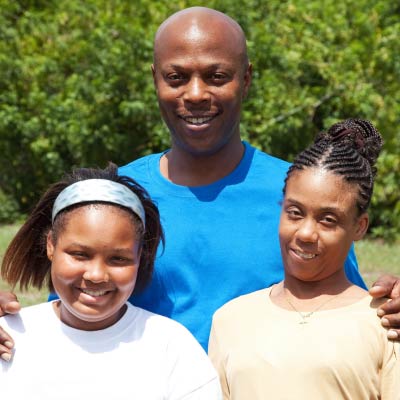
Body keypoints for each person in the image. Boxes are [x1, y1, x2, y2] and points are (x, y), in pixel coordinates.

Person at [1, 7, 400, 354]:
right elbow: (62, 321)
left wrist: (391, 304)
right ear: (155, 79)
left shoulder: (302, 197)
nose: (195, 94)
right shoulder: (113, 200)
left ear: (246, 79)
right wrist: (9, 321)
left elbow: (351, 311)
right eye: (176, 77)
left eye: (216, 76)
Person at [208, 119, 400, 399]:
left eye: (328, 219)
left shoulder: (385, 323)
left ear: (359, 226)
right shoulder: (230, 320)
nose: (307, 233)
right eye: (295, 213)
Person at [0, 163, 222, 399]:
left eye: (118, 258)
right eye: (79, 254)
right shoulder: (10, 336)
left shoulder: (172, 347)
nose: (96, 275)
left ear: (140, 257)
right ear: (51, 245)